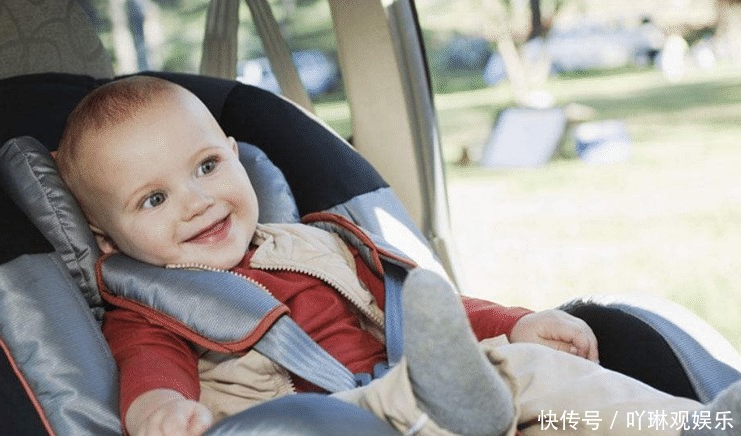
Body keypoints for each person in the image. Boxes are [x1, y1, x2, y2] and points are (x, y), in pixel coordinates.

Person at [55, 75, 739, 436]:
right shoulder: (148, 309)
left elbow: (422, 307)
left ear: (237, 155)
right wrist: (157, 414)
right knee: (490, 382)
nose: (195, 201)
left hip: (426, 392)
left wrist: (513, 322)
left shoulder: (317, 242)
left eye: (206, 166)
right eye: (152, 200)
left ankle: (692, 427)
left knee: (535, 378)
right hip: (322, 423)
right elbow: (148, 373)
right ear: (108, 239)